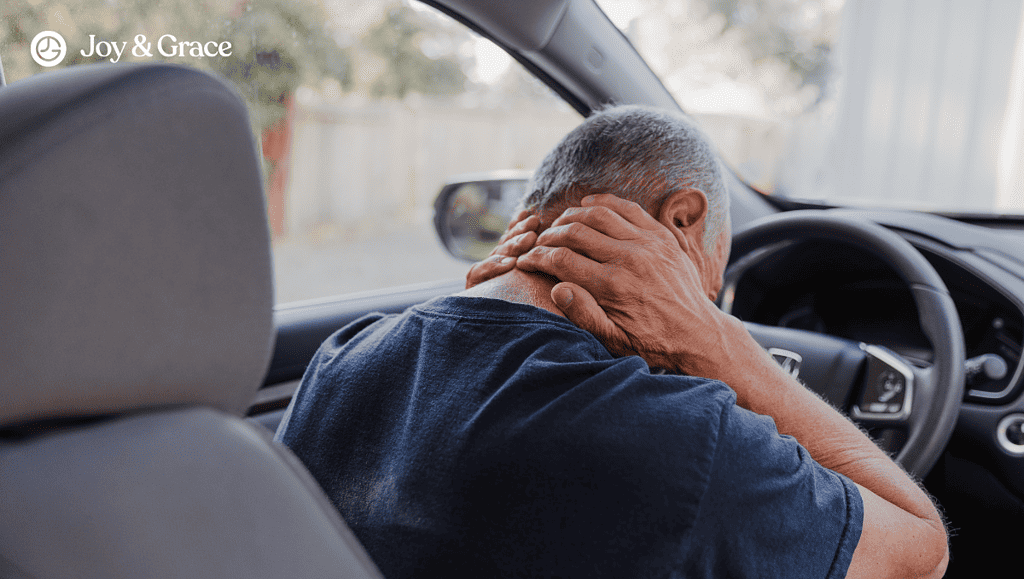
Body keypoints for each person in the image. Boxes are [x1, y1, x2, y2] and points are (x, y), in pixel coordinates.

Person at [276, 105, 948, 579]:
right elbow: (921, 552)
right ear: (683, 219)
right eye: (705, 288)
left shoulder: (344, 361)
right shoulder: (684, 441)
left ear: (525, 222)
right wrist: (716, 343)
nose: (698, 310)